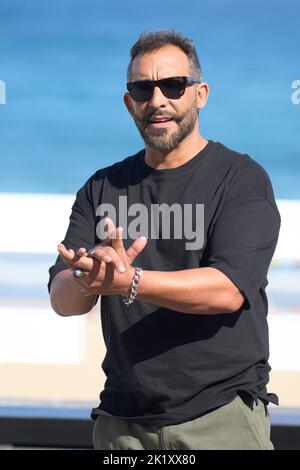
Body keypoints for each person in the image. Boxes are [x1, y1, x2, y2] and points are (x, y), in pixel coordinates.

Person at [48, 30, 281, 450]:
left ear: (200, 94)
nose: (157, 100)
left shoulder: (241, 180)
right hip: (123, 423)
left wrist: (129, 281)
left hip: (219, 417)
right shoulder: (103, 188)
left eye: (172, 86)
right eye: (142, 89)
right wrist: (88, 280)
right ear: (128, 103)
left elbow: (227, 290)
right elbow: (62, 297)